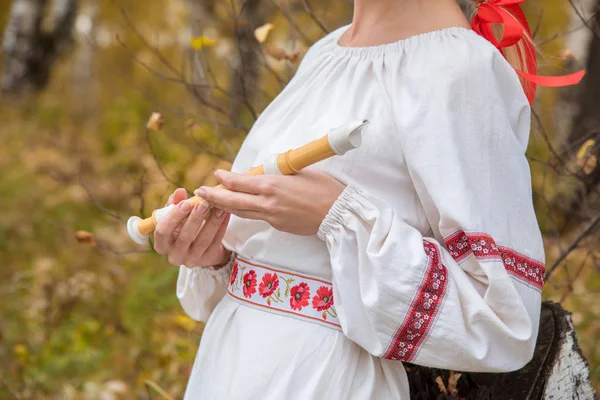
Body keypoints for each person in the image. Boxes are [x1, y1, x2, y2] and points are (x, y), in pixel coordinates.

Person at [152, 0, 580, 398]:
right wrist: (212, 254)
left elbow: (504, 324)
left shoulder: (459, 68)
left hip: (325, 379)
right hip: (231, 364)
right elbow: (279, 264)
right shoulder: (326, 52)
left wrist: (338, 215)